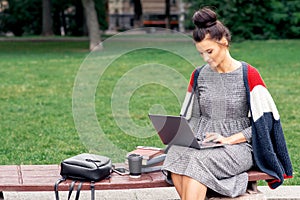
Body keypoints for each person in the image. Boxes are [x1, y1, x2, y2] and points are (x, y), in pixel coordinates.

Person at [162, 7, 293, 200]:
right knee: (175, 156)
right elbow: (191, 117)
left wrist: (229, 139)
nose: (206, 58)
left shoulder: (248, 74)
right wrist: (187, 139)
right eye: (201, 54)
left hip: (239, 146)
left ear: (223, 42)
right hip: (205, 142)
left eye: (209, 51)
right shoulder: (199, 75)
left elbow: (265, 125)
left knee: (195, 164)